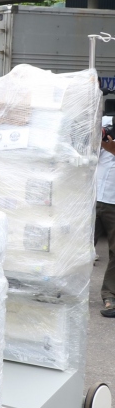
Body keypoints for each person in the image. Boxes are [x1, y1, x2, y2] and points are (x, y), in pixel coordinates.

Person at [97, 119, 115, 317]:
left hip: (113, 200)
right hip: (90, 197)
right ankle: (67, 290)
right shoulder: (105, 122)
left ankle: (110, 295)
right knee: (79, 248)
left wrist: (112, 149)